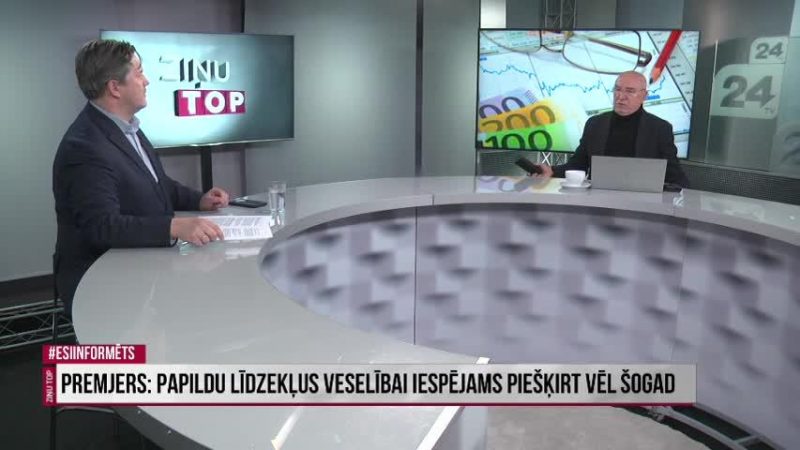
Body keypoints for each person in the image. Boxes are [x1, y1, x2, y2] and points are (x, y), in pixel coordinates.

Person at [53, 39, 230, 317]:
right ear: (115, 87)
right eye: (139, 73)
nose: (146, 81)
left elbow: (156, 184)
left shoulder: (127, 128)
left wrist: (199, 200)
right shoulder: (84, 146)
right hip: (102, 286)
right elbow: (101, 226)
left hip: (143, 268)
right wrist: (173, 226)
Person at [535, 71, 688, 187]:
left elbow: (673, 174)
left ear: (644, 96)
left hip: (642, 203)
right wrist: (552, 171)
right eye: (617, 89)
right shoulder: (595, 124)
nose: (621, 96)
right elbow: (578, 164)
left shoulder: (660, 128)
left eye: (630, 91)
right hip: (598, 200)